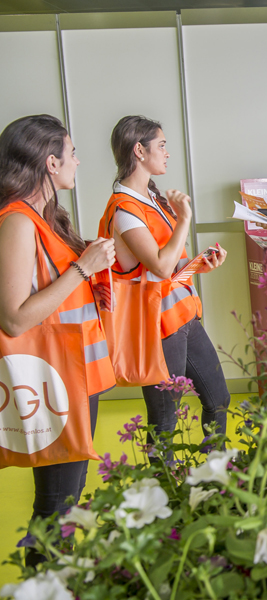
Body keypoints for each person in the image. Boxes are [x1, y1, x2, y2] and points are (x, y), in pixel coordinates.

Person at [0, 115, 116, 561]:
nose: (78, 162)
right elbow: (13, 318)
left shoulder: (40, 217)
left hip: (71, 375)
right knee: (57, 505)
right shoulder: (16, 222)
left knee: (64, 499)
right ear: (51, 163)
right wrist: (83, 268)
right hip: (53, 379)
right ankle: (45, 584)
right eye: (72, 154)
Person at [101, 115, 230, 439]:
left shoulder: (151, 199)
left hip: (183, 316)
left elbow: (171, 269)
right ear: (139, 151)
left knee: (218, 400)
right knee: (165, 421)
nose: (167, 152)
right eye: (161, 145)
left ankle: (212, 478)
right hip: (156, 328)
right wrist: (185, 218)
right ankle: (165, 489)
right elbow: (159, 266)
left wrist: (201, 264)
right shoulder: (124, 209)